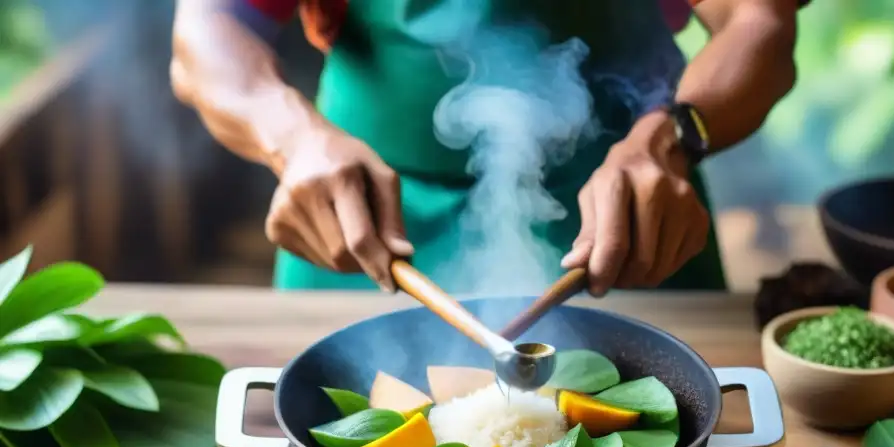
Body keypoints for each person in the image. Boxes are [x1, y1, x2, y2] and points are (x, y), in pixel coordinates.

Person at [171, 0, 805, 296]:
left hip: (628, 220)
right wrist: (293, 140)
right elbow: (208, 25)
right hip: (360, 222)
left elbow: (761, 22)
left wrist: (670, 143)